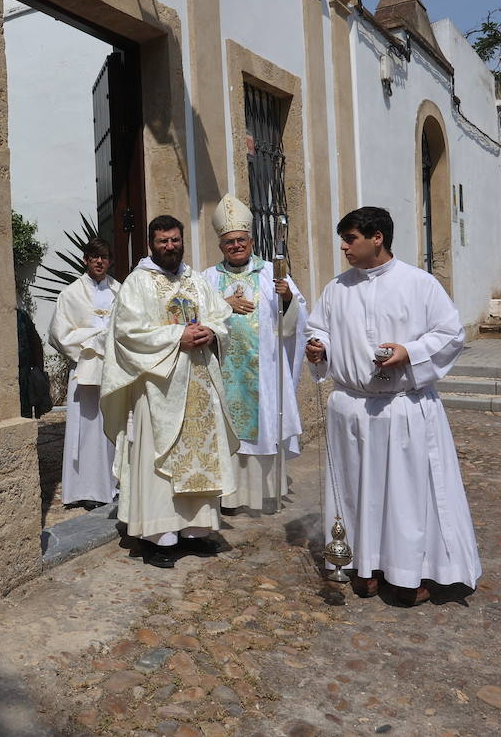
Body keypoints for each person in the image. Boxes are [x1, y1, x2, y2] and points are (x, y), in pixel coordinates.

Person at [305, 206, 482, 604]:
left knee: (404, 496)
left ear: (377, 238)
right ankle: (363, 566)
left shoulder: (419, 284)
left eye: (350, 239)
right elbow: (320, 328)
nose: (344, 247)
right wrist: (320, 348)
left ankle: (408, 574)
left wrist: (410, 352)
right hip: (350, 408)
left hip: (401, 408)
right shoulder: (337, 288)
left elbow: (451, 334)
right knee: (356, 492)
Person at [101, 215, 239, 568]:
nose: (170, 247)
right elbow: (127, 332)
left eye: (175, 240)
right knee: (157, 460)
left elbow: (221, 315)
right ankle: (159, 535)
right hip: (159, 388)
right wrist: (179, 336)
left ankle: (195, 530)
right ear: (151, 243)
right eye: (163, 241)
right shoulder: (137, 283)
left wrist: (211, 331)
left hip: (199, 382)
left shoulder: (196, 281)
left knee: (199, 453)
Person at [200, 194, 307, 514]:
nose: (235, 246)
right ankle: (230, 497)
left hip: (263, 372)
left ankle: (263, 493)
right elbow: (198, 315)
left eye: (240, 240)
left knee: (262, 429)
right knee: (228, 433)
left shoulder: (273, 274)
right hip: (223, 373)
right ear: (221, 246)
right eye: (229, 242)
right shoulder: (208, 278)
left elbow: (294, 325)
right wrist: (224, 306)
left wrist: (287, 298)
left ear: (251, 240)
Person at [48, 238, 120, 508]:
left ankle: (110, 485)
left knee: (111, 426)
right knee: (86, 430)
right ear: (85, 260)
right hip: (86, 368)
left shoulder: (119, 291)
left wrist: (105, 339)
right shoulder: (71, 294)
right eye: (94, 257)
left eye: (104, 257)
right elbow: (59, 334)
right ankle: (86, 490)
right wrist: (98, 338)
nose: (99, 262)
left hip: (113, 368)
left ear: (110, 260)